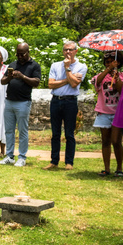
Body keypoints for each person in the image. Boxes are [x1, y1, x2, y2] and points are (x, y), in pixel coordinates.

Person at [44, 41, 87, 170]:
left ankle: (69, 162)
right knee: (55, 133)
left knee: (69, 134)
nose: (68, 52)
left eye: (70, 50)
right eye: (65, 50)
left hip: (70, 102)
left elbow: (74, 85)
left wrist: (68, 68)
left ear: (76, 51)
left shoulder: (81, 66)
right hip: (56, 100)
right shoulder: (55, 65)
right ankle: (54, 161)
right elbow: (51, 84)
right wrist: (68, 79)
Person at [0, 42, 41, 167]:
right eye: (18, 54)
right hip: (9, 101)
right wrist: (10, 77)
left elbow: (36, 82)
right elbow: (2, 81)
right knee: (9, 131)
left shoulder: (34, 66)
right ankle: (9, 156)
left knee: (22, 131)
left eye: (22, 54)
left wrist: (22, 76)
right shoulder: (12, 65)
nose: (20, 56)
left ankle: (22, 157)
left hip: (23, 102)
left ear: (28, 52)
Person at [93, 51, 123, 176]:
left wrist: (117, 77)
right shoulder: (101, 76)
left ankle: (119, 168)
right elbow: (97, 82)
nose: (109, 64)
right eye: (107, 62)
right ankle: (106, 169)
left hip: (118, 113)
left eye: (112, 62)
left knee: (116, 141)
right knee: (105, 141)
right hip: (103, 112)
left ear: (118, 62)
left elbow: (122, 90)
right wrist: (108, 70)